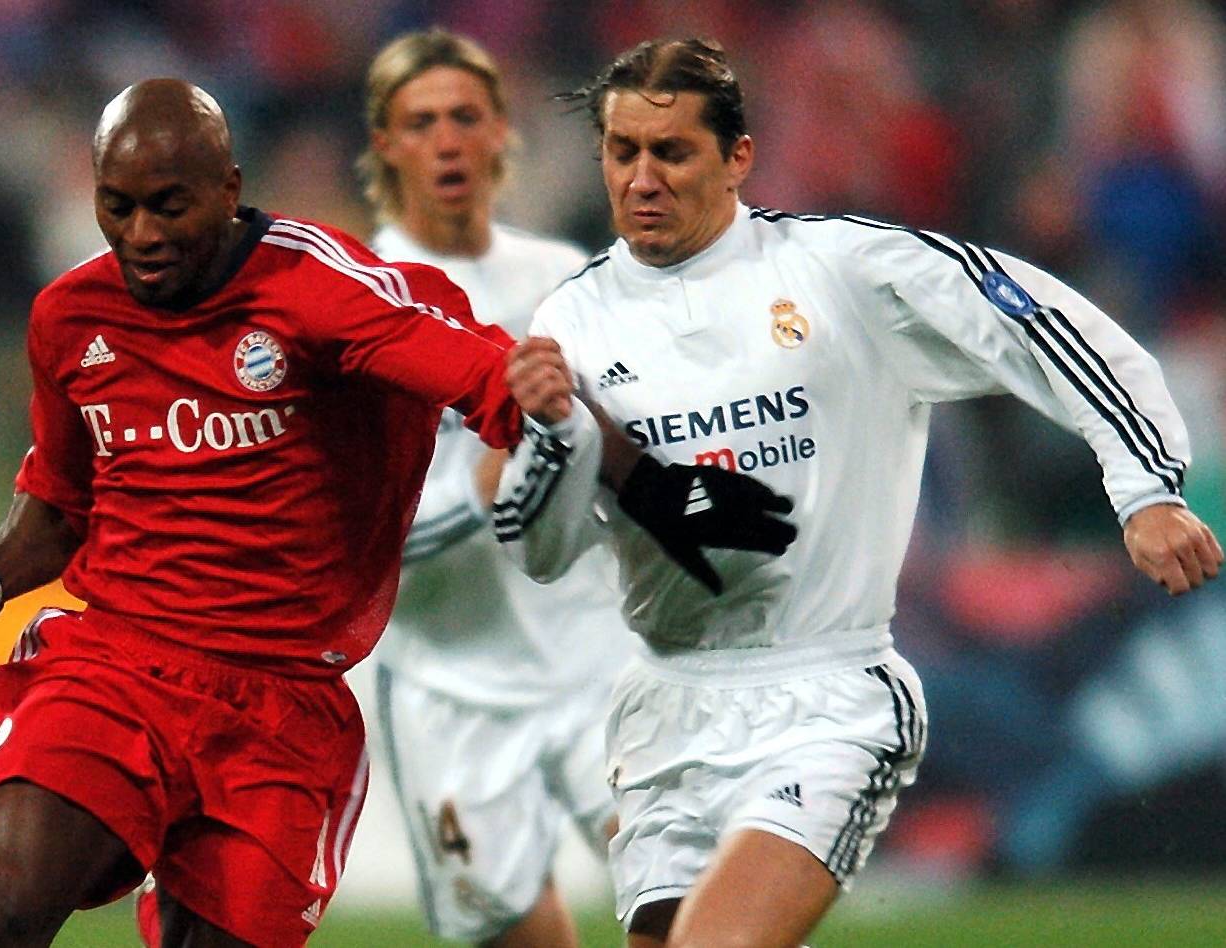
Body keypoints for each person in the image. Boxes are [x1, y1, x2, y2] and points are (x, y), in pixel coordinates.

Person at [491, 38, 1223, 948]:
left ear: (738, 159)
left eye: (671, 151)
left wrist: (1144, 487)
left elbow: (1039, 322)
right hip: (665, 708)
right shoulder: (572, 320)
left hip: (825, 693)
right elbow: (546, 550)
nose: (641, 176)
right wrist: (555, 437)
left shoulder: (841, 270)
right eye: (621, 151)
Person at [0, 78, 540, 948]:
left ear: (230, 189)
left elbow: (502, 380)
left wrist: (629, 473)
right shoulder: (70, 318)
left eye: (170, 206)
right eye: (117, 208)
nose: (143, 236)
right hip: (116, 665)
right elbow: (61, 501)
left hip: (281, 708)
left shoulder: (322, 291)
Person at [359, 29, 632, 947]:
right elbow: (358, 535)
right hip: (451, 685)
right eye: (421, 121)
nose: (446, 140)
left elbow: (620, 457)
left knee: (695, 913)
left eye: (465, 116)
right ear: (385, 144)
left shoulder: (563, 279)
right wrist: (480, 489)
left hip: (599, 662)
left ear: (499, 132)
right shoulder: (353, 303)